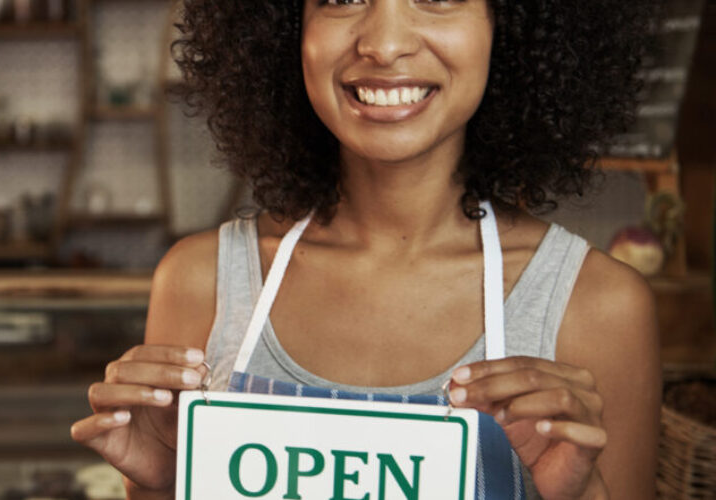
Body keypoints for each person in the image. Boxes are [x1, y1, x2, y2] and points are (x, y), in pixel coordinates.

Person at [71, 1, 660, 498]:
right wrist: (161, 484)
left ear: (508, 26)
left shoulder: (599, 305)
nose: (383, 42)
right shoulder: (200, 281)